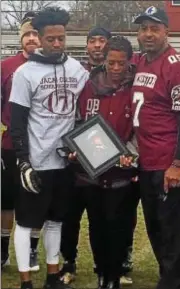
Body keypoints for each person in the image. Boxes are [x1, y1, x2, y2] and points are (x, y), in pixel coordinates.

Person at [9, 7, 89, 289]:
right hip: (37, 162)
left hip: (65, 162)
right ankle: (25, 281)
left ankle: (52, 276)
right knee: (26, 223)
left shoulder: (76, 69)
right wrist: (23, 161)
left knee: (56, 221)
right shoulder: (24, 73)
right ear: (39, 38)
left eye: (61, 38)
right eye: (50, 39)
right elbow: (16, 122)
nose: (57, 44)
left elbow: (85, 113)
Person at [132, 6, 180, 289]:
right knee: (156, 227)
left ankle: (171, 281)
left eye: (154, 28)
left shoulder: (176, 65)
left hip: (167, 161)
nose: (148, 34)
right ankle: (174, 278)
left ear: (166, 32)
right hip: (146, 160)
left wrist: (178, 163)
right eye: (144, 28)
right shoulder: (143, 61)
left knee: (171, 229)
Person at [65, 36, 137, 289]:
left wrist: (131, 155)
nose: (116, 69)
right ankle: (101, 274)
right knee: (96, 225)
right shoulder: (87, 86)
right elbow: (76, 122)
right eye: (111, 63)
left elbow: (141, 128)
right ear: (103, 60)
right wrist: (75, 149)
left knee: (118, 226)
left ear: (130, 62)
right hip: (90, 172)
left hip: (122, 172)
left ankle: (114, 276)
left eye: (121, 64)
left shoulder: (135, 88)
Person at [60, 27, 111, 284]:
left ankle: (104, 266)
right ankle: (68, 262)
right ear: (87, 45)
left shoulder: (118, 75)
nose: (97, 45)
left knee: (99, 218)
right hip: (74, 154)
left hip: (104, 155)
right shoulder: (76, 72)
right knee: (70, 214)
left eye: (103, 40)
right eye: (93, 41)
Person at [1, 12, 41, 271]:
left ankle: (33, 250)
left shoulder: (51, 66)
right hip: (10, 145)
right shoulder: (6, 66)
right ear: (21, 38)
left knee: (36, 198)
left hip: (40, 144)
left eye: (36, 33)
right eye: (27, 34)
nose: (32, 38)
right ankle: (2, 251)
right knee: (6, 200)